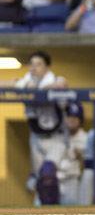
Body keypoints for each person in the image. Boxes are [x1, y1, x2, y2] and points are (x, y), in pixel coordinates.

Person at [9, 51, 68, 205]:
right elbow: (9, 83)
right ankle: (46, 214)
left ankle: (53, 210)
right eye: (31, 64)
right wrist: (17, 84)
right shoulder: (26, 81)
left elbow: (61, 84)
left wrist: (37, 90)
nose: (34, 68)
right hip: (36, 138)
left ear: (47, 67)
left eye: (38, 64)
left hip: (56, 137)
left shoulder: (55, 79)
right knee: (40, 179)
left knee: (48, 172)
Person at [58, 102, 88, 205]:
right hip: (55, 181)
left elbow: (88, 168)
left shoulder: (86, 139)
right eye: (69, 116)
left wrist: (80, 157)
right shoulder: (57, 135)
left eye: (75, 117)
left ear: (80, 120)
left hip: (73, 181)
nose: (71, 120)